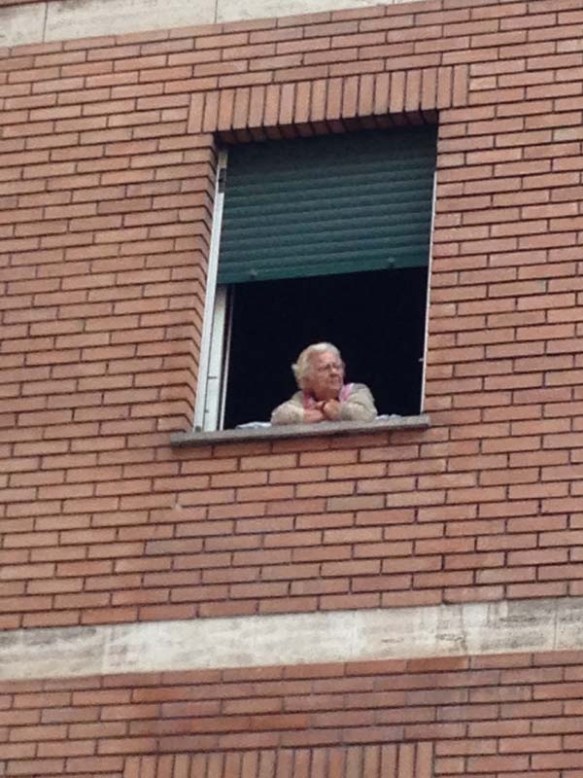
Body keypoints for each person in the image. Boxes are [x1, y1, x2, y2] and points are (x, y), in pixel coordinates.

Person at [271, 342, 377, 425]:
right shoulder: (302, 398)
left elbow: (366, 415)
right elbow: (279, 417)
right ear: (307, 377)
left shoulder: (357, 390)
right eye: (325, 368)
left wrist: (326, 407)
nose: (334, 372)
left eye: (337, 367)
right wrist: (325, 413)